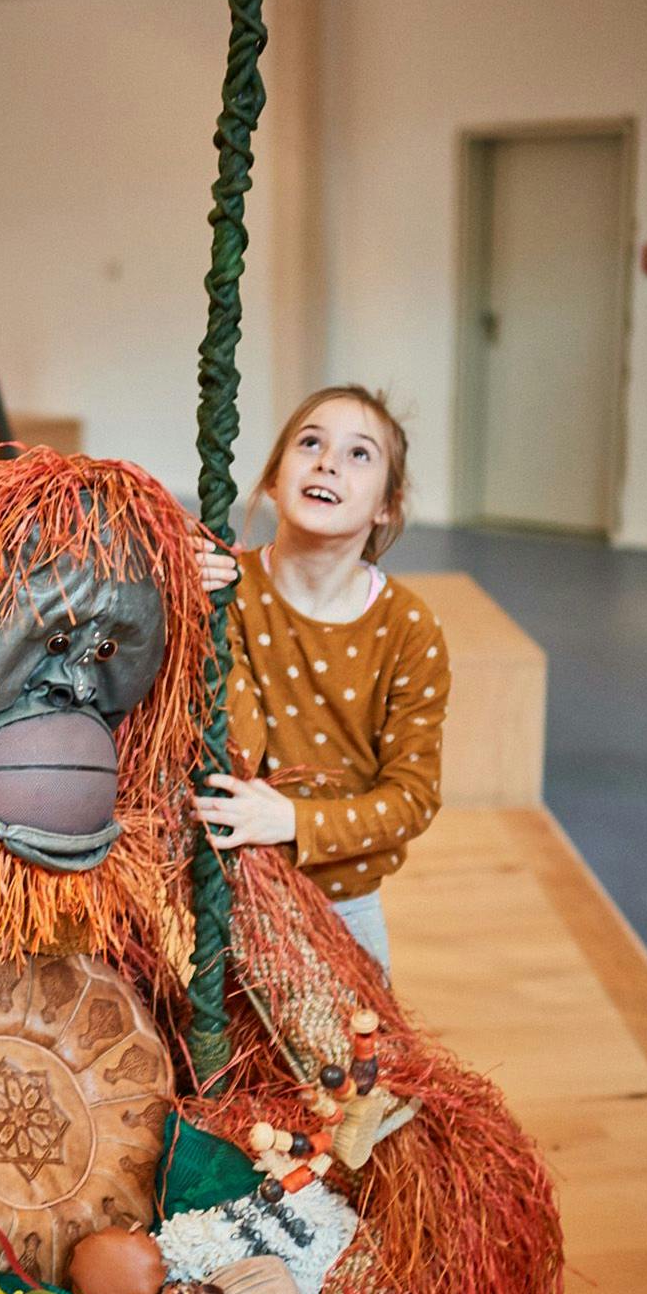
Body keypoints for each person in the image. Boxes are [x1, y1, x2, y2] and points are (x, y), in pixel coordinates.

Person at [192, 384, 449, 975]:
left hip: (345, 908)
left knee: (351, 1064)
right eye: (310, 442)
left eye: (360, 454)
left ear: (387, 504)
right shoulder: (230, 591)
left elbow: (412, 798)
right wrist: (190, 604)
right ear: (273, 480)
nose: (328, 461)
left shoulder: (407, 627)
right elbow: (233, 746)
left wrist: (292, 822)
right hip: (231, 893)